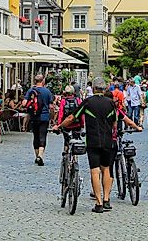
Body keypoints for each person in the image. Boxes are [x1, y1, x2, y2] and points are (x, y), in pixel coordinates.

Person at [59, 77, 116, 213]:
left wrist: (59, 126)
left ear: (94, 88)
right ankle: (107, 199)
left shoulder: (88, 102)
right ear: (104, 88)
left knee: (95, 170)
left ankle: (99, 203)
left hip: (93, 141)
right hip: (107, 140)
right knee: (106, 169)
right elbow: (115, 123)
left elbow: (72, 117)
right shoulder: (111, 103)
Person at [22, 74, 53, 166]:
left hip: (34, 117)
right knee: (42, 135)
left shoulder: (31, 90)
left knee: (35, 136)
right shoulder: (47, 92)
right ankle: (40, 155)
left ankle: (36, 156)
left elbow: (24, 103)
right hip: (44, 117)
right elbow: (51, 107)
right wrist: (51, 116)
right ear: (43, 81)